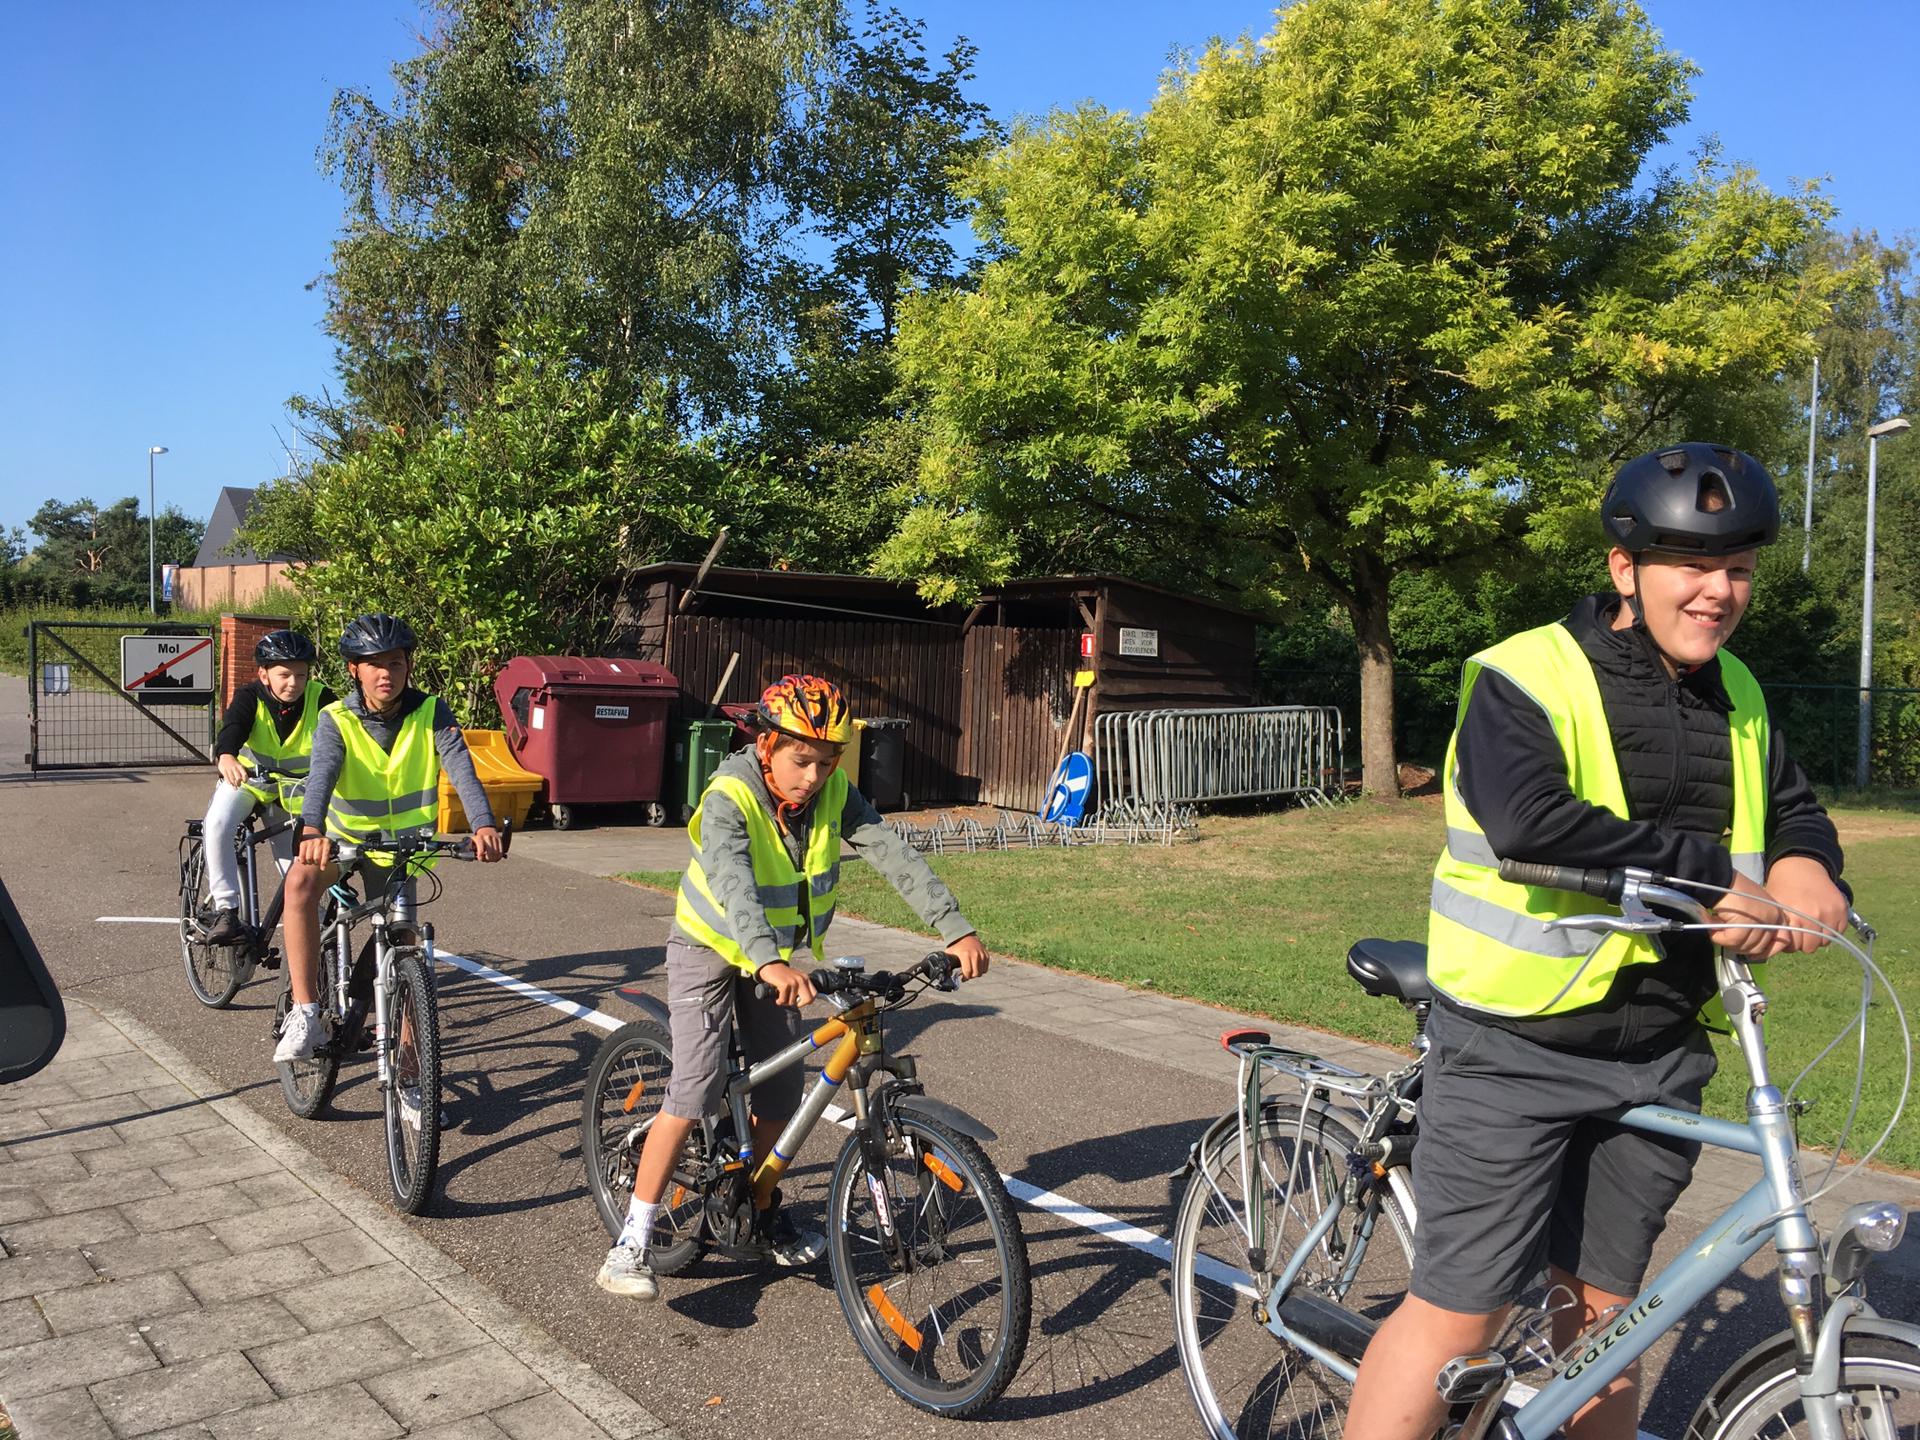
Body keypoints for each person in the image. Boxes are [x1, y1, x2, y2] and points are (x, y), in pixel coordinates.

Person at [1346, 444, 1850, 1440]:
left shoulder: (1738, 691)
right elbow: (1528, 822)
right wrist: (1712, 879)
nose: (1718, 591)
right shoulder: (1525, 675)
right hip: (1513, 1049)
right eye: (1690, 565)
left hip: (1660, 1052)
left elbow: (1792, 808)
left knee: (1609, 1319)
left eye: (1739, 569)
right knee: (1461, 1311)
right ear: (1626, 569)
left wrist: (1807, 865)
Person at [596, 674, 990, 1301]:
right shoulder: (730, 794)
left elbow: (891, 853)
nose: (814, 775)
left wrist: (954, 928)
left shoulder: (834, 792)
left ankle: (759, 1208)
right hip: (712, 947)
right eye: (801, 759)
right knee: (694, 1087)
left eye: (828, 761)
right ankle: (633, 1240)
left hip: (774, 956)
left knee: (780, 1090)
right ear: (764, 744)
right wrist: (766, 961)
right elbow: (734, 884)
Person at [276, 613, 504, 1064]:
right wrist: (311, 830)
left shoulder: (430, 711)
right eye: (374, 664)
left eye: (396, 664)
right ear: (353, 670)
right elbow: (320, 777)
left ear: (408, 667)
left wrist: (483, 824)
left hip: (401, 850)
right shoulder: (335, 718)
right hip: (341, 841)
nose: (386, 674)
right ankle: (305, 1013)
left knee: (405, 945)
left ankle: (412, 1069)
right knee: (299, 886)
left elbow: (460, 766)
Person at [200, 629, 335, 944]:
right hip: (248, 781)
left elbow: (346, 736)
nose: (294, 683)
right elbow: (233, 727)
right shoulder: (249, 697)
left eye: (301, 675)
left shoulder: (321, 697)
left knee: (299, 873)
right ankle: (226, 909)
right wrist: (226, 757)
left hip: (294, 791)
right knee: (218, 823)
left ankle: (311, 960)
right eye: (284, 675)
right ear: (264, 674)